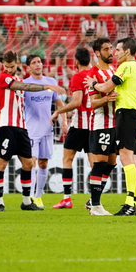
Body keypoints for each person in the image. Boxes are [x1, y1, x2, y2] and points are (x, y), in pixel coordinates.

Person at [0, 51, 64, 212]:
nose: (9, 69)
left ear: (17, 64)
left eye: (11, 66)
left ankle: (26, 201)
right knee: (2, 163)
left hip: (22, 128)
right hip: (6, 126)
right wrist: (47, 86)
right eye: (6, 66)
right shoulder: (3, 77)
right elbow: (21, 86)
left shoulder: (17, 78)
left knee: (29, 163)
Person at [86, 37, 136, 216]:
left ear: (127, 51)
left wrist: (93, 85)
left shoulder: (125, 66)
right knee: (133, 160)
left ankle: (129, 204)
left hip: (125, 115)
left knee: (125, 158)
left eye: (117, 50)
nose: (115, 53)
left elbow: (105, 87)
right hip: (135, 114)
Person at [50, 48, 94, 209]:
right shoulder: (96, 75)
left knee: (67, 159)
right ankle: (93, 199)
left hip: (79, 125)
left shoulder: (77, 77)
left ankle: (67, 198)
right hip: (94, 125)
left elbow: (76, 102)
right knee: (93, 163)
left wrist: (58, 112)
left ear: (76, 61)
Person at [23, 54, 67, 208]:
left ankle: (38, 196)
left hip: (47, 130)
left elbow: (60, 104)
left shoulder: (51, 82)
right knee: (32, 163)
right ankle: (30, 198)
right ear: (28, 67)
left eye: (39, 62)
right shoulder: (24, 84)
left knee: (43, 163)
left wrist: (64, 122)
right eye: (34, 62)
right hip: (31, 130)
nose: (38, 65)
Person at [81, 38, 119, 215]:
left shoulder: (114, 70)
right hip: (100, 123)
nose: (110, 52)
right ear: (97, 53)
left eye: (111, 48)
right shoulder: (93, 74)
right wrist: (106, 99)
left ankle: (92, 200)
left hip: (114, 122)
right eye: (106, 49)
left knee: (112, 162)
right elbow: (92, 104)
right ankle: (95, 205)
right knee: (100, 162)